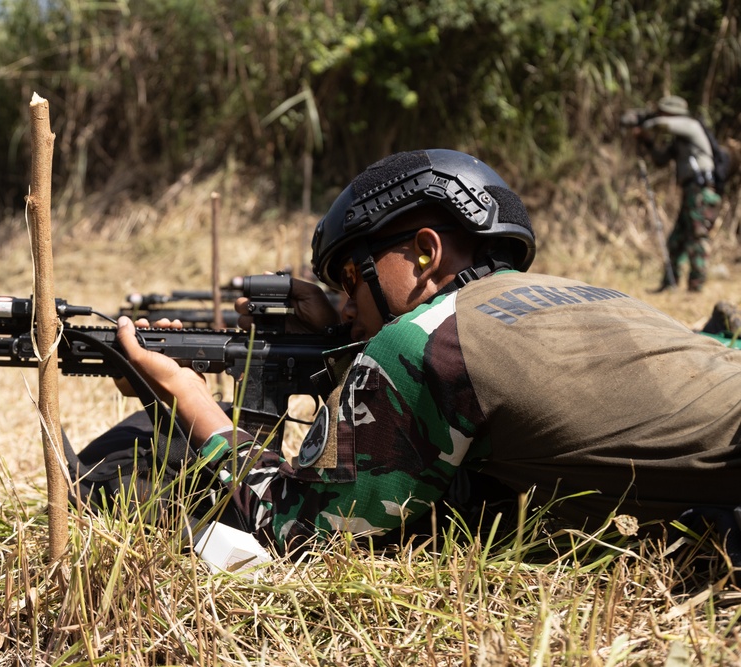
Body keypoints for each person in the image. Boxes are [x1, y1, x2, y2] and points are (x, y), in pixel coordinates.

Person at [68, 149, 741, 557]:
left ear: (424, 252)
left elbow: (290, 529)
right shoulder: (579, 293)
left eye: (351, 280)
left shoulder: (422, 341)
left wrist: (189, 399)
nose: (346, 302)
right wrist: (343, 325)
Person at [635, 95, 723, 292]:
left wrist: (644, 124)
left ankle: (696, 287)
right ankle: (669, 283)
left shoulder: (691, 126)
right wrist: (648, 143)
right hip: (690, 191)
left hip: (701, 190)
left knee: (697, 237)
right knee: (676, 239)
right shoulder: (679, 140)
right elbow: (660, 160)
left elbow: (662, 124)